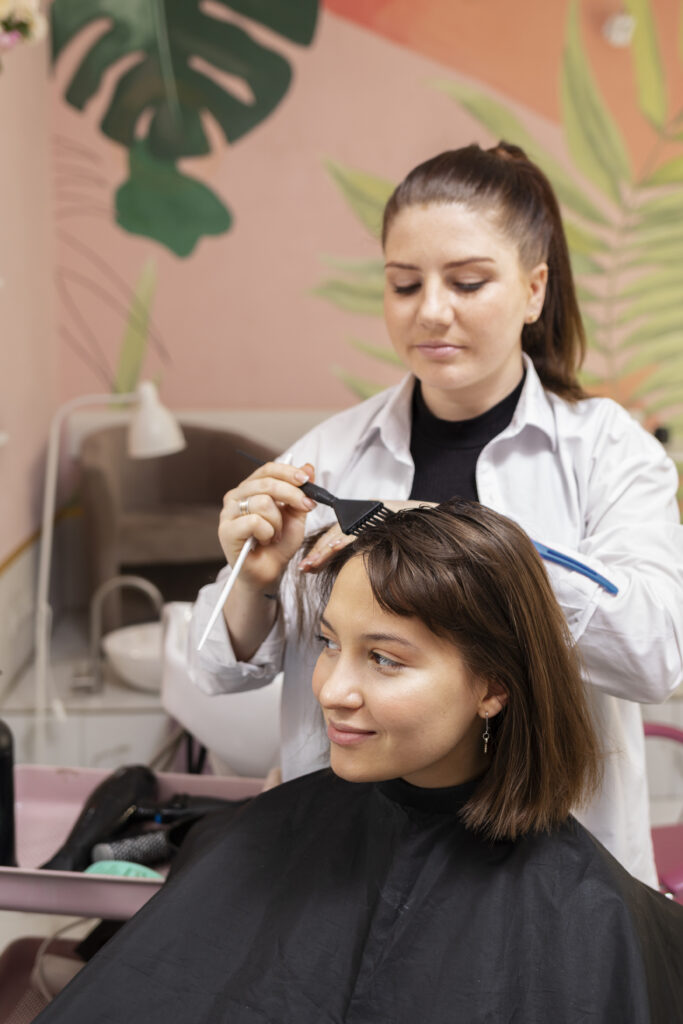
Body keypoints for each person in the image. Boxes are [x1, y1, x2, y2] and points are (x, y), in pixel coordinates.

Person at [189, 142, 683, 887]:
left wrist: (474, 547)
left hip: (552, 871)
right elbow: (212, 670)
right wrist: (254, 579)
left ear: (533, 290)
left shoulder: (609, 452)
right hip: (358, 856)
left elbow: (654, 656)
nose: (430, 311)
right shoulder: (332, 453)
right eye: (402, 283)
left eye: (468, 281)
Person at [36, 503, 683, 1023]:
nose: (331, 691)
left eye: (384, 658)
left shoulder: (585, 918)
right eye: (327, 645)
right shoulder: (268, 831)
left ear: (492, 687)